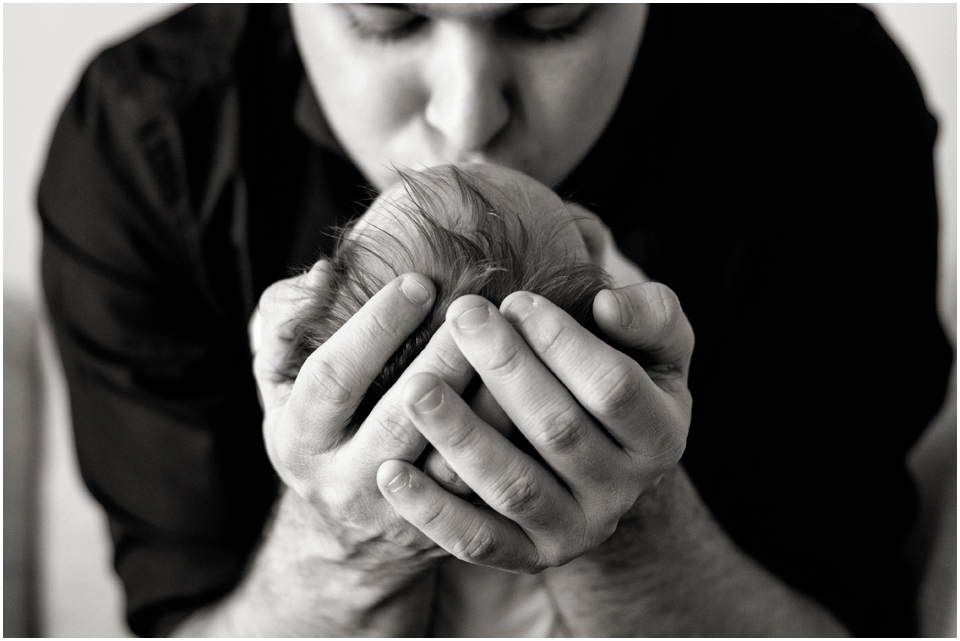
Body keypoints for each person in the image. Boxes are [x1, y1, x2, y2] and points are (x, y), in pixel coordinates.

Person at [37, 4, 951, 637]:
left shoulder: (826, 106)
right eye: (389, 19)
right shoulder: (149, 144)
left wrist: (636, 523)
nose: (466, 115)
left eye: (550, 19)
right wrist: (337, 544)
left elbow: (852, 617)